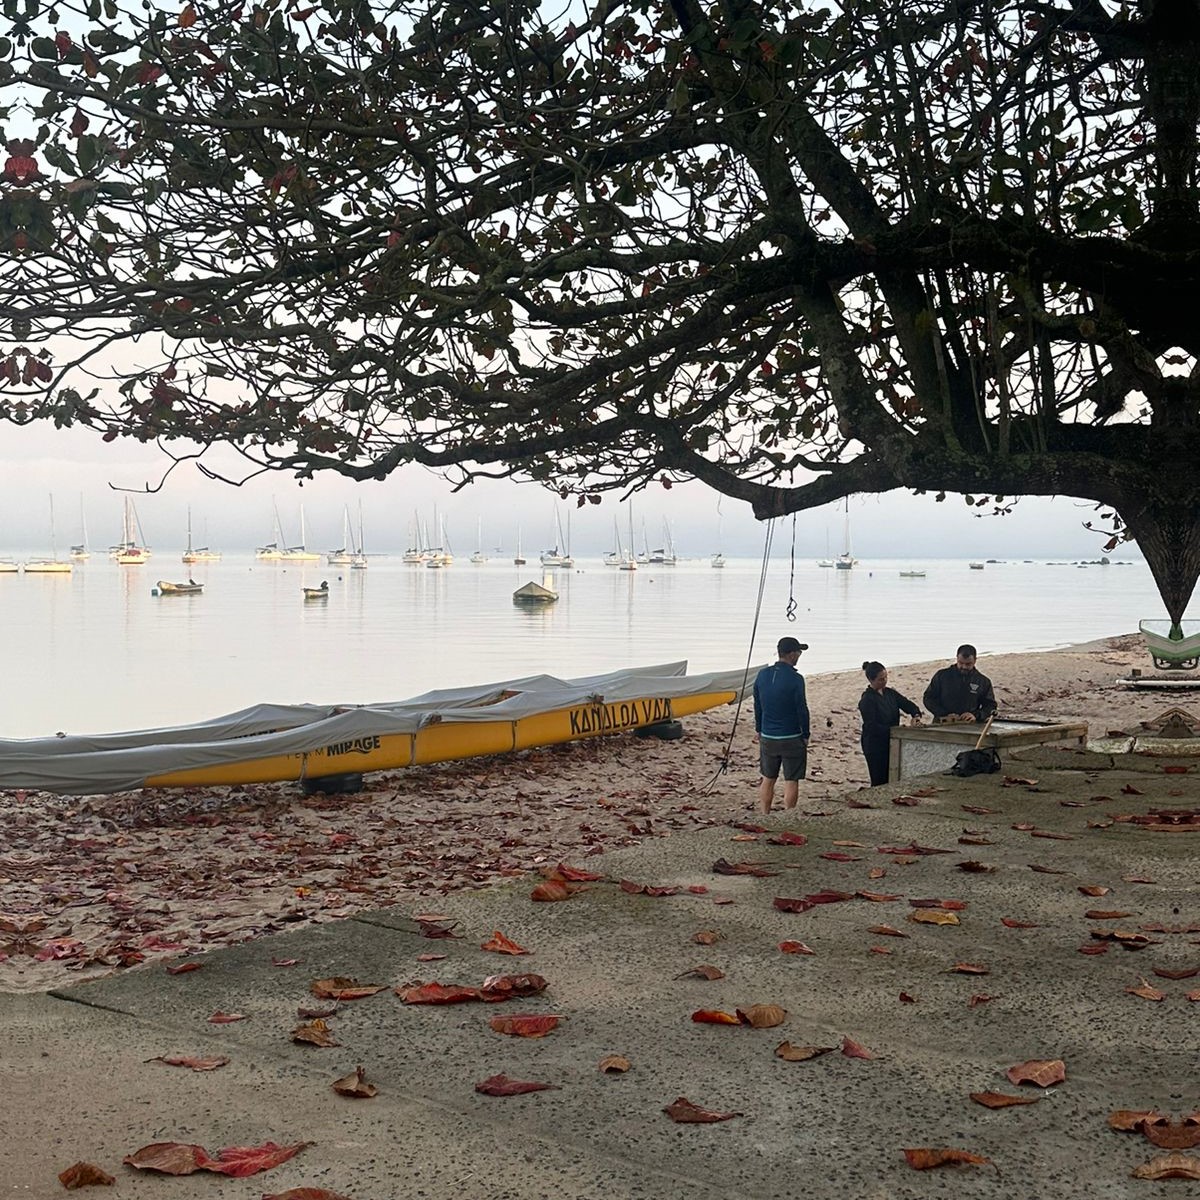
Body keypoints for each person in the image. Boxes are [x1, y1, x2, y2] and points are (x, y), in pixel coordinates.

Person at [752, 636, 811, 814]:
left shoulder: (762, 675)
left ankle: (765, 813)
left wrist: (759, 729)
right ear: (792, 654)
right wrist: (806, 733)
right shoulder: (796, 679)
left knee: (768, 777)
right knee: (791, 779)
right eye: (799, 652)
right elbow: (802, 708)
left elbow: (758, 705)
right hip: (791, 736)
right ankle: (789, 813)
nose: (799, 655)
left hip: (769, 735)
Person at [858, 661, 922, 786]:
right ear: (871, 680)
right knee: (879, 779)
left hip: (892, 741)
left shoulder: (890, 693)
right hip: (875, 744)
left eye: (886, 677)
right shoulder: (867, 700)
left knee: (892, 776)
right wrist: (895, 730)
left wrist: (916, 716)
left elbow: (908, 705)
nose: (884, 681)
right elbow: (871, 726)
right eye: (881, 679)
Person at [923, 644, 997, 724]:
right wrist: (944, 714)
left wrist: (976, 715)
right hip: (942, 723)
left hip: (970, 725)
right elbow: (928, 698)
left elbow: (990, 706)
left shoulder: (983, 681)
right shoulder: (942, 676)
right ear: (957, 658)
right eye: (961, 663)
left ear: (975, 660)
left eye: (968, 664)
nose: (964, 667)